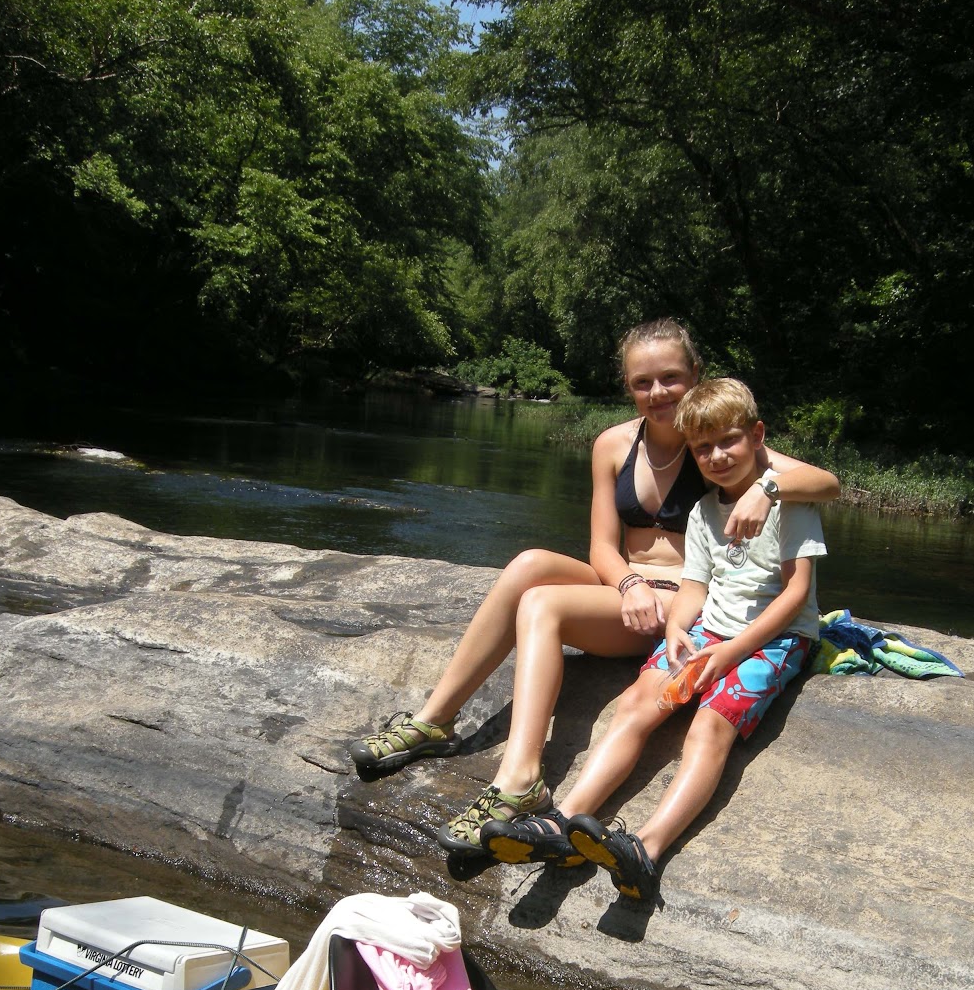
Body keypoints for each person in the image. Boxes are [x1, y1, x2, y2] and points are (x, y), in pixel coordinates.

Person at [347, 320, 839, 852]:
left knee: (542, 605)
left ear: (696, 374)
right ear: (627, 387)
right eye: (642, 382)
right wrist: (627, 582)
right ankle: (435, 719)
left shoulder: (715, 440)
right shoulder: (612, 444)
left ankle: (519, 780)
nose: (658, 393)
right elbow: (602, 546)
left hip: (683, 604)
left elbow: (827, 484)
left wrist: (767, 489)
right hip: (630, 592)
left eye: (671, 378)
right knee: (529, 565)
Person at [482, 378, 827, 901]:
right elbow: (694, 586)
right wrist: (675, 629)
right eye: (702, 447)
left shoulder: (790, 501)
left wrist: (732, 652)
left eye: (727, 441)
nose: (715, 455)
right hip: (707, 628)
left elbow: (795, 594)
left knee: (708, 728)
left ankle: (647, 848)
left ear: (757, 435)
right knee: (637, 704)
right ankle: (564, 824)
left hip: (776, 639)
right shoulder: (704, 511)